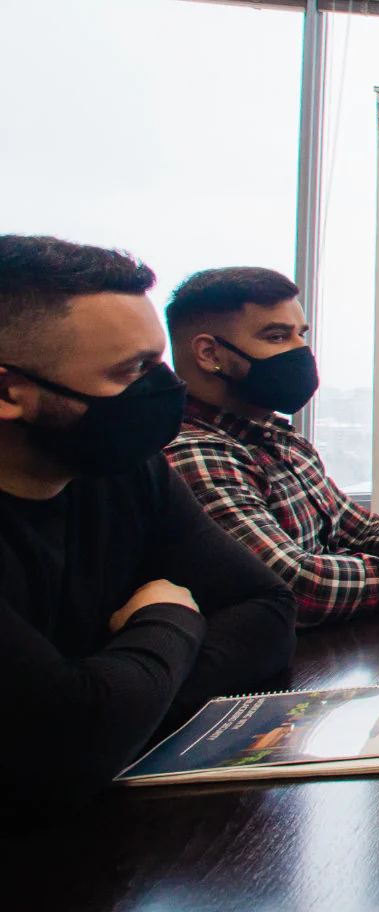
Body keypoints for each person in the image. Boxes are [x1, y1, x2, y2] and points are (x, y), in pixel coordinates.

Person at [0, 236, 297, 810]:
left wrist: (121, 699)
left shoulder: (128, 472)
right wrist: (169, 617)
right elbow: (67, 744)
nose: (165, 388)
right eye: (132, 371)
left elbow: (268, 611)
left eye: (157, 361)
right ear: (10, 393)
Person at [162, 267, 379, 627]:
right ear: (208, 352)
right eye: (277, 337)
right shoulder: (195, 453)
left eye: (300, 335)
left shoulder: (277, 437)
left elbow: (356, 529)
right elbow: (295, 585)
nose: (301, 351)